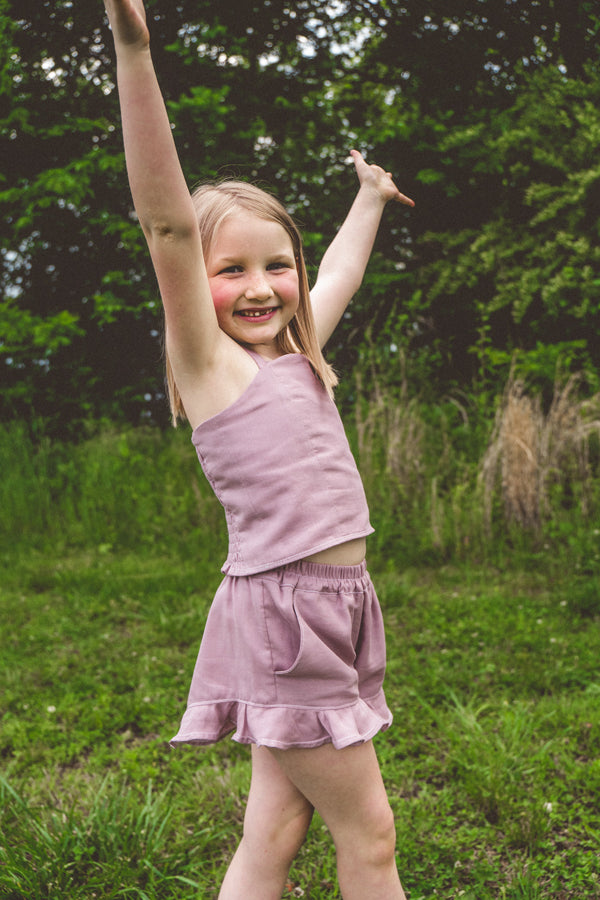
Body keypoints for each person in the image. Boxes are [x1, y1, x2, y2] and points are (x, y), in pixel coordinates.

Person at [103, 1, 414, 898]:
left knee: (275, 827)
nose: (260, 286)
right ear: (194, 288)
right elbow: (165, 220)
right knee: (372, 834)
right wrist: (134, 48)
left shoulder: (297, 353)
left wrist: (367, 198)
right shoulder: (209, 368)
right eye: (230, 269)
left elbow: (340, 273)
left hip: (338, 604)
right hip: (288, 617)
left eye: (275, 264)